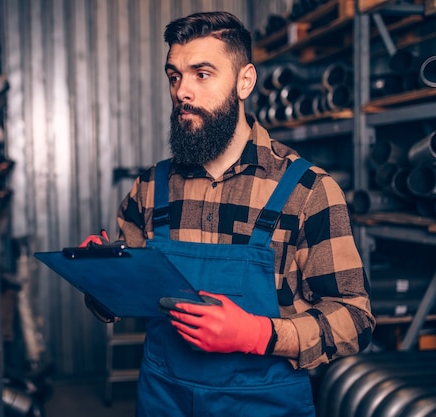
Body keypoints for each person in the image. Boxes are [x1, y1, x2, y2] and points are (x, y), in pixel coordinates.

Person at [83, 10, 374, 417]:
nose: (182, 91)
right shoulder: (151, 187)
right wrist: (100, 278)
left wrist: (258, 334)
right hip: (163, 399)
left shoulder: (308, 192)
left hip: (263, 404)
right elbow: (126, 297)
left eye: (202, 74)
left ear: (245, 81)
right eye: (174, 76)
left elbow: (355, 320)